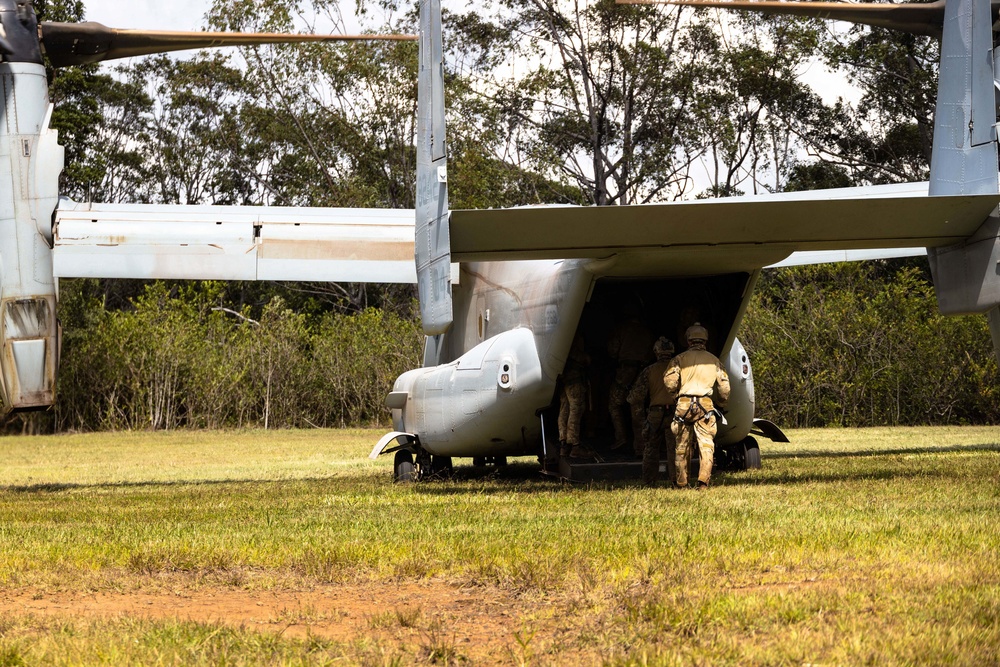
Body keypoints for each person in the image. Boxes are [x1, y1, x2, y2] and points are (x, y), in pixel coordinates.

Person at [663, 323, 730, 489]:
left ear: (688, 340)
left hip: (684, 405)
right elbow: (725, 387)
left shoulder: (679, 359)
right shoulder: (714, 360)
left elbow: (669, 382)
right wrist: (721, 403)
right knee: (706, 444)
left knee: (681, 446)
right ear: (705, 341)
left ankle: (682, 483)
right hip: (705, 406)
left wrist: (675, 397)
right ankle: (703, 482)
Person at [627, 337, 677, 486]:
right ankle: (676, 481)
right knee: (674, 449)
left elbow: (635, 397)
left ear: (656, 351)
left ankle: (649, 481)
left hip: (655, 414)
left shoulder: (649, 371)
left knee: (650, 449)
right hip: (675, 414)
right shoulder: (678, 370)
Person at [606, 303, 655, 451]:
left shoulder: (621, 330)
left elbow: (612, 351)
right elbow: (652, 353)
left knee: (614, 404)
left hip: (624, 372)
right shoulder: (648, 332)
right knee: (637, 408)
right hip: (642, 372)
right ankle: (641, 445)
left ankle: (621, 437)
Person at [558, 333, 593, 459]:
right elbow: (583, 359)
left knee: (564, 411)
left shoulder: (560, 338)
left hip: (565, 380)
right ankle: (575, 447)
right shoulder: (571, 338)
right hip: (574, 380)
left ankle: (564, 445)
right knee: (575, 411)